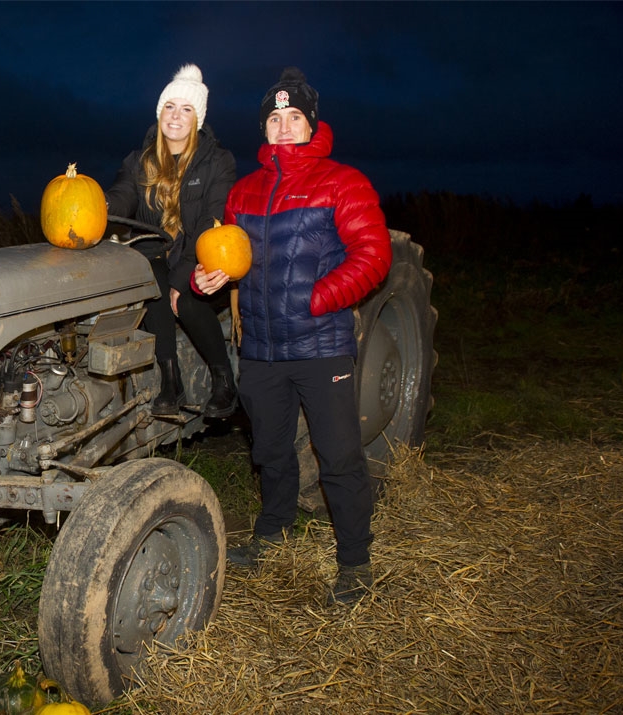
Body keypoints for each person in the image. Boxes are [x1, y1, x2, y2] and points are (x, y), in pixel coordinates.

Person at [193, 67, 392, 605]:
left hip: (321, 346)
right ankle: (273, 528)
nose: (283, 128)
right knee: (271, 451)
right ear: (265, 128)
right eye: (274, 119)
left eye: (294, 118)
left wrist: (317, 299)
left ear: (311, 126)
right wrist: (205, 278)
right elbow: (226, 256)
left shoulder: (341, 183)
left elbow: (374, 257)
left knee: (339, 456)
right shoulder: (244, 193)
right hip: (260, 348)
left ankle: (355, 560)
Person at [105, 63, 238, 419]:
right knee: (148, 278)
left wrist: (183, 277)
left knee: (189, 298)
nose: (176, 116)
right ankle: (170, 380)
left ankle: (224, 379)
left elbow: (211, 222)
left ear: (197, 118)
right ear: (159, 112)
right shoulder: (138, 161)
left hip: (199, 254)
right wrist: (98, 206)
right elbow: (122, 196)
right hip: (154, 255)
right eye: (169, 106)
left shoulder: (217, 162)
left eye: (186, 109)